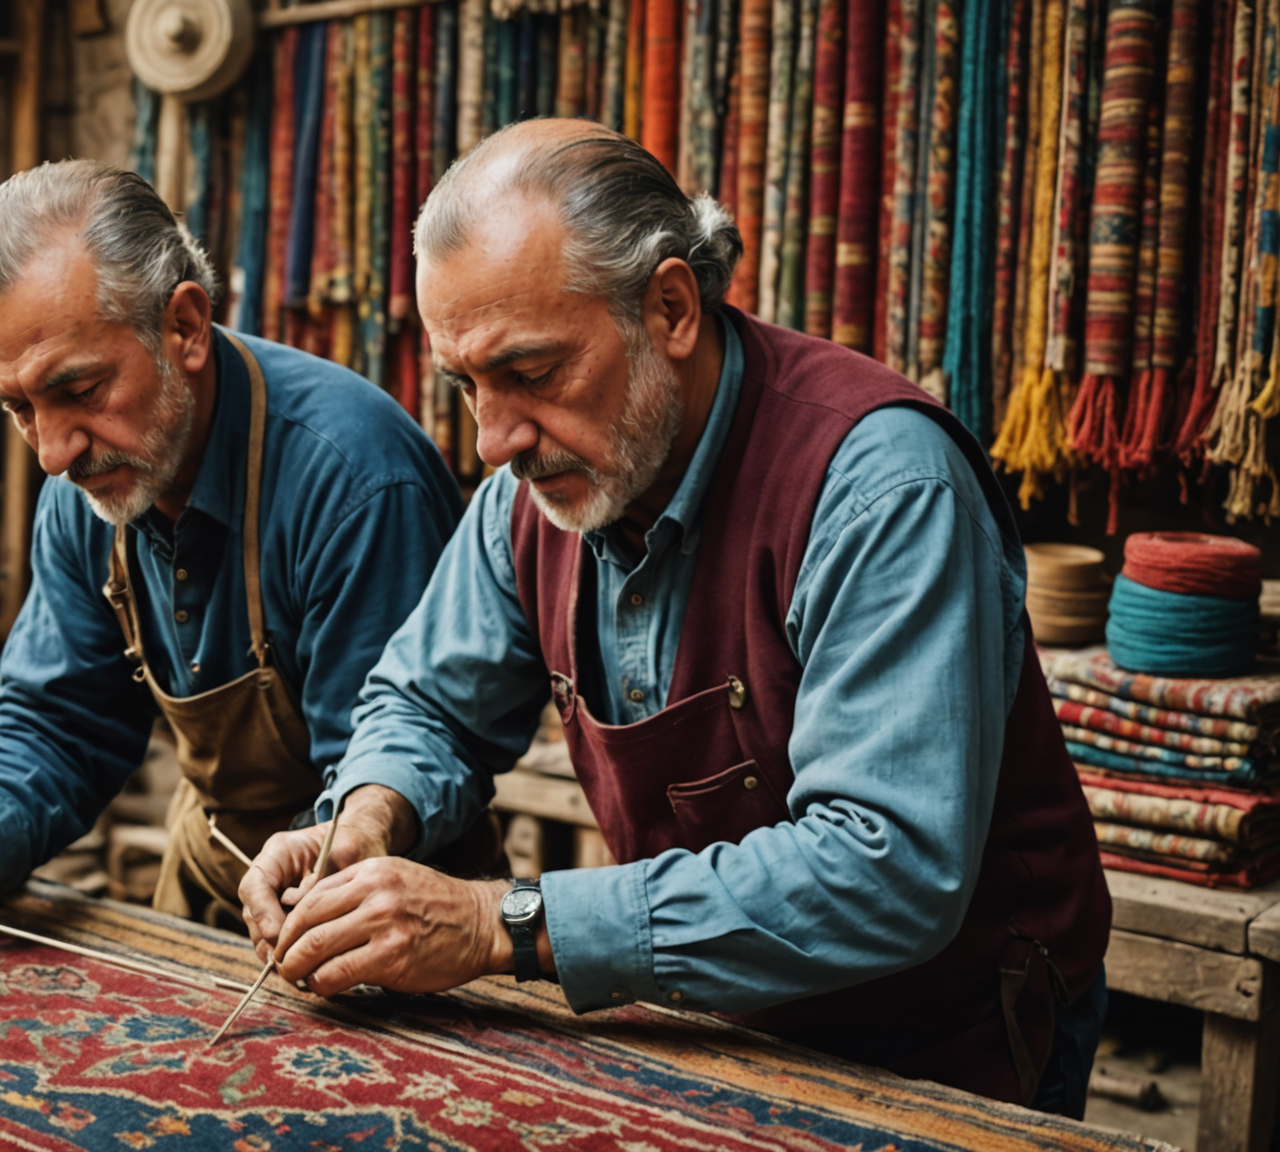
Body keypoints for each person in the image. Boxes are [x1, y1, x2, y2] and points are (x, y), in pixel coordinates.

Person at [238, 121, 1111, 1115]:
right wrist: (367, 818)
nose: (492, 440)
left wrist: (505, 925)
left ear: (670, 307)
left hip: (941, 1039)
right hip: (704, 1020)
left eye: (531, 371)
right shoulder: (540, 490)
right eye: (466, 386)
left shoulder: (880, 487)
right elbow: (427, 702)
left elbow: (888, 866)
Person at [0, 160, 477, 998]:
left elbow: (391, 766)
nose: (52, 451)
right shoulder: (88, 485)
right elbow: (54, 720)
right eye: (17, 408)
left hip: (391, 916)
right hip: (208, 876)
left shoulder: (356, 479)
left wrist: (341, 861)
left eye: (77, 389)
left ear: (187, 328)